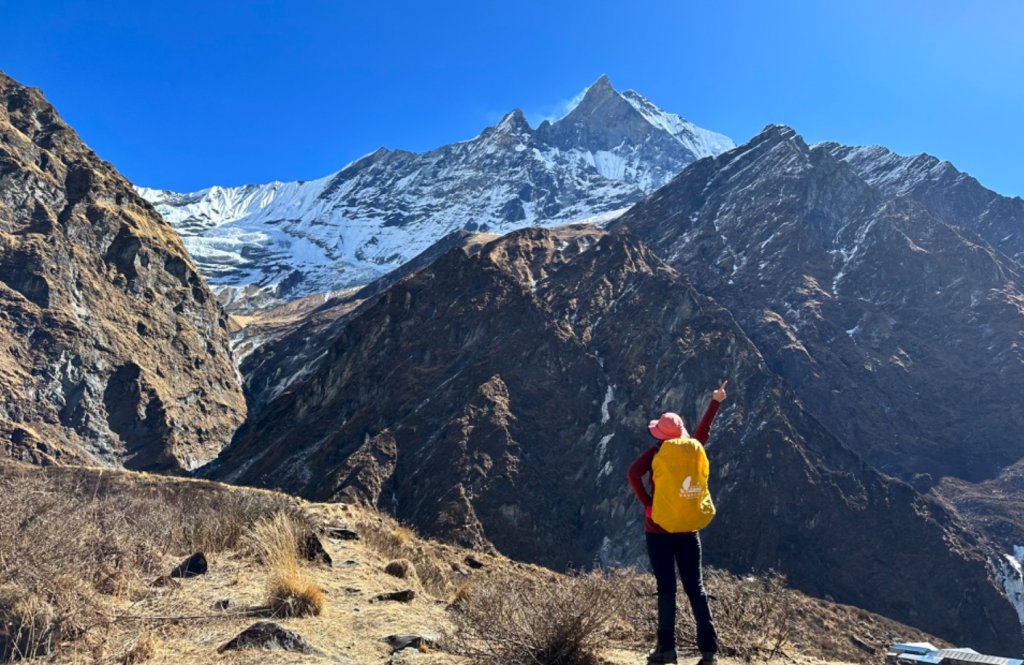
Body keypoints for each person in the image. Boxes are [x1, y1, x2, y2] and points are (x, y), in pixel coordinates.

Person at [627, 380, 728, 665]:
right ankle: (709, 651)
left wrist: (649, 505)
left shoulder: (657, 453)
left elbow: (633, 474)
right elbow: (703, 432)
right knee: (695, 587)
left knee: (666, 588)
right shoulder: (693, 448)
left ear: (660, 434)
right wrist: (715, 402)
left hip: (658, 530)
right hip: (688, 530)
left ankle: (667, 649)